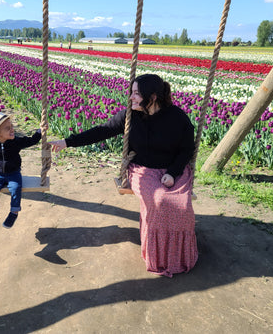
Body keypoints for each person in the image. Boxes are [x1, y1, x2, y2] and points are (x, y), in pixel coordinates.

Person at [49, 74, 198, 277]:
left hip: (174, 170)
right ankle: (160, 258)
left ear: (152, 97)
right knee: (160, 200)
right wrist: (67, 142)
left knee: (181, 205)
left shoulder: (177, 118)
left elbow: (186, 149)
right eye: (132, 92)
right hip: (142, 171)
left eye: (136, 94)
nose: (131, 98)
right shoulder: (129, 116)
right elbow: (101, 131)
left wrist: (173, 173)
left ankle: (179, 257)